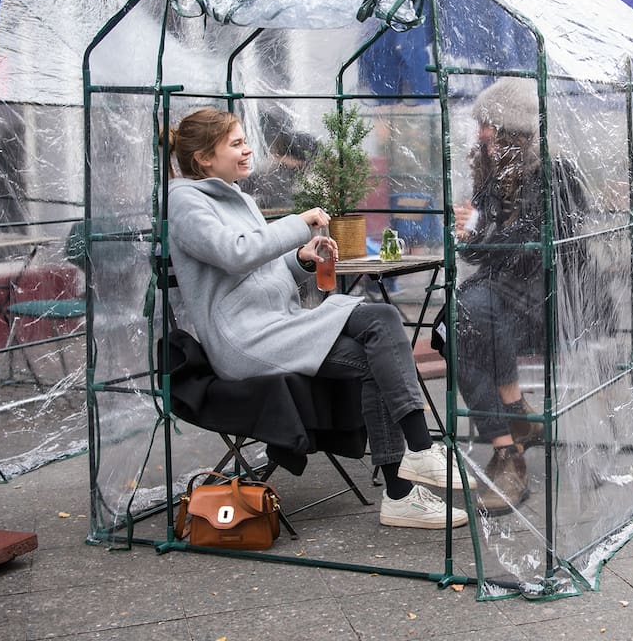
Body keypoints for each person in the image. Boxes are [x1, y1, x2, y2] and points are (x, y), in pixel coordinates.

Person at [165, 108, 472, 530]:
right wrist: (298, 223)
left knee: (380, 345)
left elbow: (257, 269)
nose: (248, 149)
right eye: (236, 143)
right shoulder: (185, 201)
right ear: (203, 158)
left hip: (278, 325)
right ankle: (418, 456)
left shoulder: (239, 198)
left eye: (245, 141)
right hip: (246, 340)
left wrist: (300, 260)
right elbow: (234, 253)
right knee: (380, 322)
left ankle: (402, 492)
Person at [452, 78, 597, 515]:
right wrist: (469, 232)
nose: (481, 133)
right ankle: (509, 447)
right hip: (500, 296)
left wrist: (486, 236)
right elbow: (477, 252)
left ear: (513, 129)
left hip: (551, 301)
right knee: (462, 324)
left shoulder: (557, 174)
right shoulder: (491, 173)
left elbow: (534, 247)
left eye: (488, 124)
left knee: (467, 319)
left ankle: (513, 424)